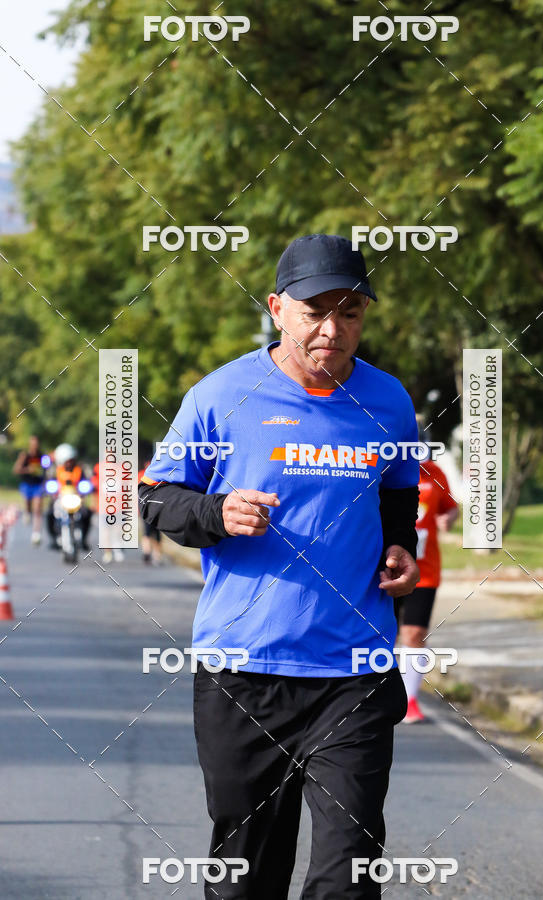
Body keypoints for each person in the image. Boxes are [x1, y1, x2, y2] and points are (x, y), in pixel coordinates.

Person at [139, 233, 421, 899]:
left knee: (349, 871)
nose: (332, 329)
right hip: (244, 671)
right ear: (276, 308)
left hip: (353, 671)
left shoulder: (389, 402)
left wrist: (400, 550)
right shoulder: (221, 396)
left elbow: (397, 500)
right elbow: (154, 501)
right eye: (314, 312)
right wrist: (216, 512)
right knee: (247, 877)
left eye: (349, 313)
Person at [394, 438, 458, 724]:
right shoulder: (387, 470)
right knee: (383, 634)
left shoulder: (434, 473)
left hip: (425, 571)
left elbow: (450, 507)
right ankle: (378, 695)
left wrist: (448, 519)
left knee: (414, 634)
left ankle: (409, 700)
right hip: (388, 568)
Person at [47, 443, 92, 551]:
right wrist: (53, 492)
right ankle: (54, 539)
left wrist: (83, 491)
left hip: (76, 498)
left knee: (87, 513)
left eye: (71, 460)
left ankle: (83, 539)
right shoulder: (56, 470)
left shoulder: (79, 470)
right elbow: (50, 483)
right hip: (60, 498)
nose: (69, 463)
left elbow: (85, 482)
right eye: (67, 461)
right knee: (49, 513)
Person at [13, 435, 47, 544]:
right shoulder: (25, 456)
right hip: (27, 484)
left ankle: (36, 534)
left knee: (37, 508)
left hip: (38, 485)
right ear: (30, 445)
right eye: (33, 444)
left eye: (36, 444)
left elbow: (47, 470)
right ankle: (27, 512)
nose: (35, 446)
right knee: (28, 505)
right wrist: (28, 469)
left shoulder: (43, 457)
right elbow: (16, 470)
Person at [138, 461, 162, 565]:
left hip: (156, 509)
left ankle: (155, 555)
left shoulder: (160, 475)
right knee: (148, 532)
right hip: (147, 509)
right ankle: (148, 553)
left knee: (155, 533)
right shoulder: (142, 475)